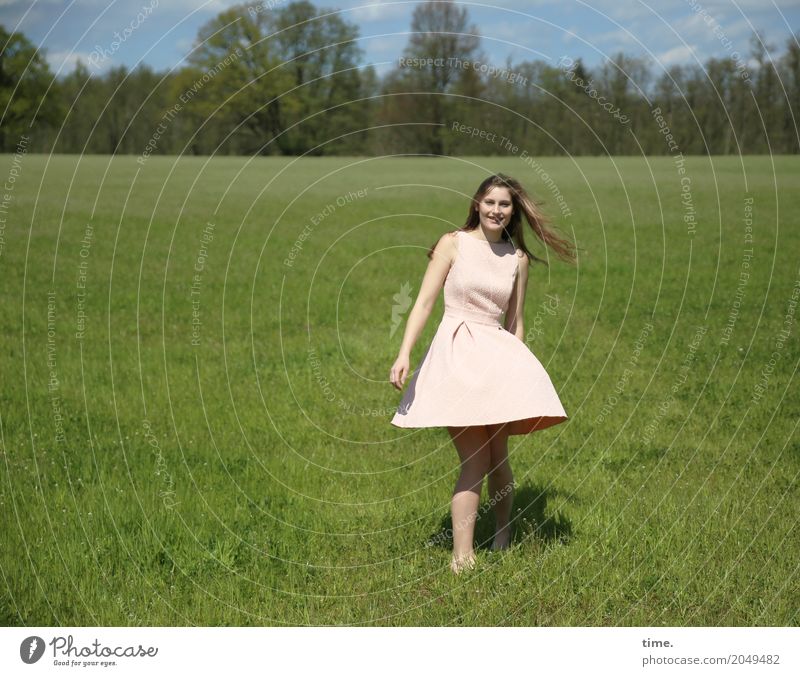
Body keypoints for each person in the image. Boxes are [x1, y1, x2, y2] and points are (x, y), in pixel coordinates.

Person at [388, 173, 578, 574]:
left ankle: (503, 536)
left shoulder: (518, 259)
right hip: (456, 358)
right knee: (474, 460)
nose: (496, 210)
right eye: (490, 202)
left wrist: (518, 374)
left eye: (504, 204)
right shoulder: (452, 244)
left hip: (497, 362)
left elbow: (516, 323)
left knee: (498, 458)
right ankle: (463, 556)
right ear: (477, 203)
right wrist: (404, 353)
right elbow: (423, 303)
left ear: (513, 211)